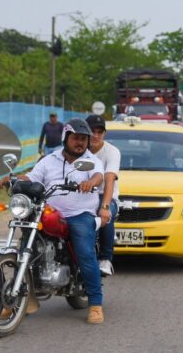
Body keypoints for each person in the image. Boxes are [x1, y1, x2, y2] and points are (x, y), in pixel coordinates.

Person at [22, 118, 106, 324]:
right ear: (65, 138)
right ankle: (26, 298)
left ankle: (95, 304)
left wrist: (89, 183)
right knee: (26, 242)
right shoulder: (49, 160)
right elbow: (32, 178)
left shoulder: (89, 159)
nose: (80, 143)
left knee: (85, 252)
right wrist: (13, 179)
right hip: (49, 212)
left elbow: (98, 176)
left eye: (84, 140)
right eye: (76, 138)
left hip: (80, 213)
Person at [87, 114, 121, 277]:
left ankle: (105, 259)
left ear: (104, 134)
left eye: (99, 132)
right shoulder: (77, 149)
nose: (95, 135)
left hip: (103, 195)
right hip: (81, 195)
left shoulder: (112, 152)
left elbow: (109, 180)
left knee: (103, 215)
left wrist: (105, 206)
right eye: (92, 131)